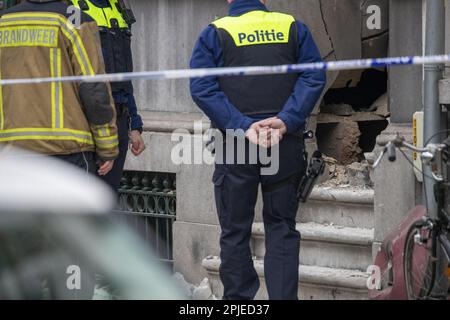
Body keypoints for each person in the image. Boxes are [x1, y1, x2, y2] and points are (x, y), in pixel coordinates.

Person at [190, 0, 326, 300]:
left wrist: (242, 126)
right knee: (281, 228)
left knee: (235, 231)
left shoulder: (215, 32)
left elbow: (202, 88)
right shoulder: (291, 26)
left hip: (236, 146)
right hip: (284, 143)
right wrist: (286, 119)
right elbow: (314, 75)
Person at [0, 0, 118, 176]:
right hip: (67, 150)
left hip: (12, 149)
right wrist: (107, 146)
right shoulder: (76, 19)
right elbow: (93, 88)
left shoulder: (4, 21)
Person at [70, 0, 145, 192]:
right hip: (89, 120)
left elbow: (125, 75)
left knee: (107, 197)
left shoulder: (119, 8)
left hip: (119, 117)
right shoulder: (74, 8)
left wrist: (134, 124)